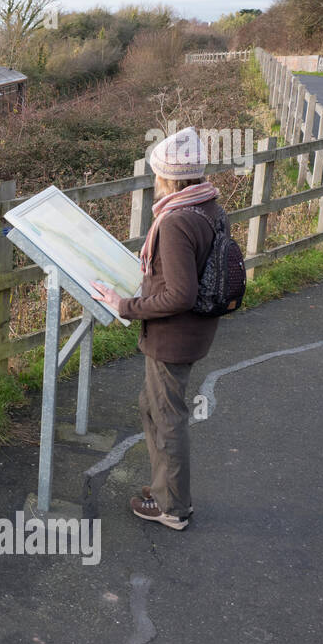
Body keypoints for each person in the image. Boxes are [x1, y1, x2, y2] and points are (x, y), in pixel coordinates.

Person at [90, 126, 227, 531]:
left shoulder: (175, 222)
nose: (154, 181)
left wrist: (124, 305)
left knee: (167, 417)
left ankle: (172, 508)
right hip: (193, 332)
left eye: (156, 174)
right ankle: (165, 487)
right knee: (153, 408)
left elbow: (180, 294)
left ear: (169, 177)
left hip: (173, 337)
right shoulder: (209, 206)